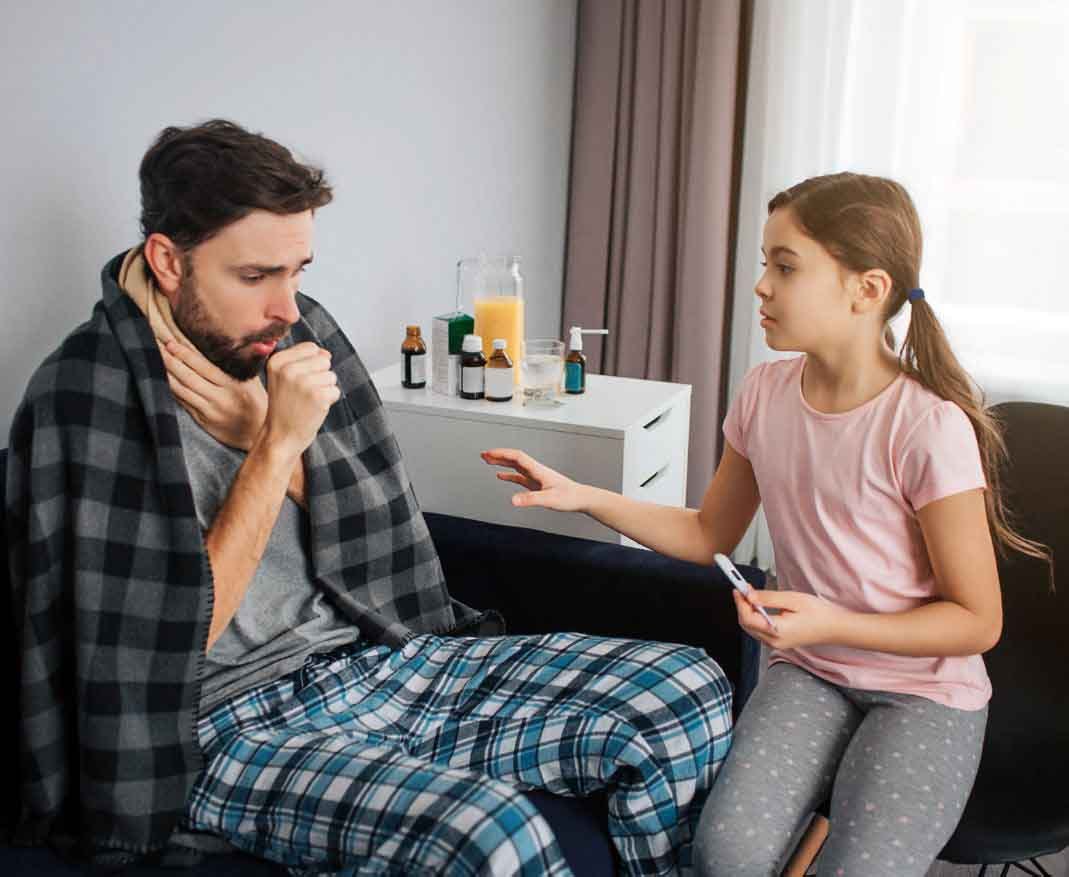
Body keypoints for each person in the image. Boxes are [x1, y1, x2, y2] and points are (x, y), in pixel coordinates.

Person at [6, 119, 733, 875]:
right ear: (167, 260)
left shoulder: (297, 337)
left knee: (682, 690)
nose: (287, 305)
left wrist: (264, 430)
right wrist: (274, 445)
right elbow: (164, 650)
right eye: (255, 276)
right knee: (489, 833)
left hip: (373, 659)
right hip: (227, 724)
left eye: (297, 271)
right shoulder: (86, 396)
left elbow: (376, 520)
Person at [482, 172, 1050, 876]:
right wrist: (583, 496)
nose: (760, 286)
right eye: (764, 264)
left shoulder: (927, 427)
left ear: (867, 289)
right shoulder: (763, 394)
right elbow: (707, 534)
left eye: (785, 267)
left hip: (924, 691)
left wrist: (830, 621)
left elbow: (977, 622)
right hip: (812, 669)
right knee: (725, 854)